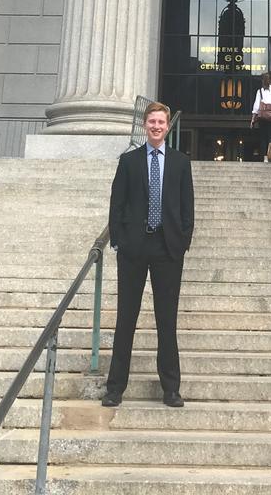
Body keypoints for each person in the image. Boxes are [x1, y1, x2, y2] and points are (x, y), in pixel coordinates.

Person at [102, 101, 194, 408]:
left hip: (167, 249)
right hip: (134, 249)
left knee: (166, 321)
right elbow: (117, 203)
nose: (156, 126)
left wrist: (181, 244)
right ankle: (115, 387)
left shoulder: (181, 162)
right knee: (126, 319)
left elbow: (186, 208)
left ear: (168, 126)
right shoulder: (129, 162)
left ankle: (171, 388)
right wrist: (119, 241)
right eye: (152, 121)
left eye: (161, 122)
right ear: (146, 126)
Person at [250, 72, 271, 162]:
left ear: (262, 81)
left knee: (263, 137)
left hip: (263, 117)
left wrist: (253, 119)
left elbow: (256, 106)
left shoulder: (260, 91)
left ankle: (265, 157)